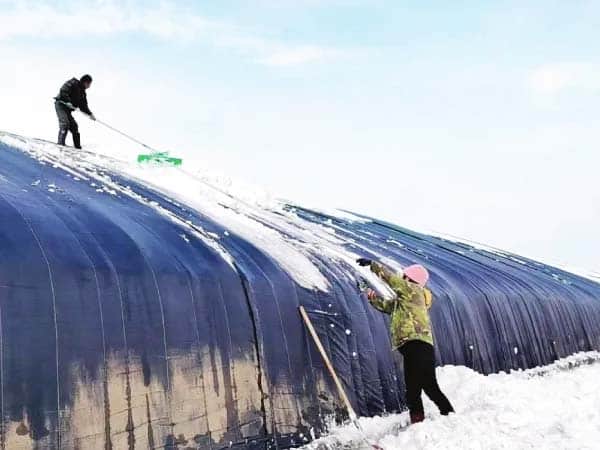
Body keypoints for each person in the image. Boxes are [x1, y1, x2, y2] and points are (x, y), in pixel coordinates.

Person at [357, 258, 454, 424]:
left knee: (428, 387)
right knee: (414, 389)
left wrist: (373, 265)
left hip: (418, 345)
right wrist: (370, 296)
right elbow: (387, 306)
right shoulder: (405, 299)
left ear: (410, 279)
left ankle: (450, 416)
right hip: (412, 347)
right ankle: (420, 423)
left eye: (404, 277)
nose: (402, 279)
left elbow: (391, 279)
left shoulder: (414, 290)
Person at [54, 74, 96, 149]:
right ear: (85, 82)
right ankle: (60, 144)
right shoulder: (73, 83)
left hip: (67, 110)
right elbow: (63, 91)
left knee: (74, 127)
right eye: (89, 84)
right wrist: (67, 101)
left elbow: (83, 106)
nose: (89, 86)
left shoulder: (82, 93)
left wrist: (90, 114)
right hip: (61, 105)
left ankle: (77, 147)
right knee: (65, 123)